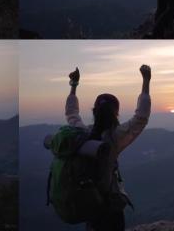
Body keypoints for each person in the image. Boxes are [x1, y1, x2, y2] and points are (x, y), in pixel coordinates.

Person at [65, 65, 152, 231]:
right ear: (115, 113)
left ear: (95, 111)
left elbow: (72, 114)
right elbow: (141, 117)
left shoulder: (83, 133)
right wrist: (146, 81)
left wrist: (73, 85)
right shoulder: (114, 137)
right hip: (110, 206)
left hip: (89, 202)